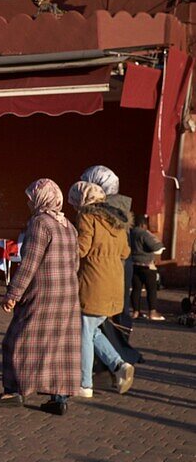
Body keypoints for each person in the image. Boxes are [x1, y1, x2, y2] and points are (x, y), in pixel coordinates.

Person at [0, 179, 81, 415]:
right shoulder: (68, 226)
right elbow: (76, 262)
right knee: (60, 347)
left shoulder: (40, 224)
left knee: (16, 341)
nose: (28, 203)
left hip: (42, 294)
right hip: (68, 294)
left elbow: (29, 263)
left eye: (30, 199)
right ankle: (59, 398)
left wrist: (13, 293)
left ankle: (14, 391)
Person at [68, 181, 135, 399]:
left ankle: (84, 383)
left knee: (84, 332)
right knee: (93, 329)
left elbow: (82, 248)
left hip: (93, 283)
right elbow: (125, 252)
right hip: (114, 283)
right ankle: (119, 365)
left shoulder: (87, 217)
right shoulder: (117, 221)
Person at [80, 165, 134, 324]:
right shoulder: (120, 213)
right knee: (100, 330)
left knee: (88, 330)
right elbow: (125, 251)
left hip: (95, 280)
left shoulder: (92, 215)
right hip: (116, 277)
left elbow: (83, 248)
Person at [129, 214, 166, 321]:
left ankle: (136, 312)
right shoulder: (144, 233)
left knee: (136, 289)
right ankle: (152, 312)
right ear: (143, 224)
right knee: (151, 289)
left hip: (134, 264)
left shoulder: (130, 233)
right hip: (147, 265)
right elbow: (156, 246)